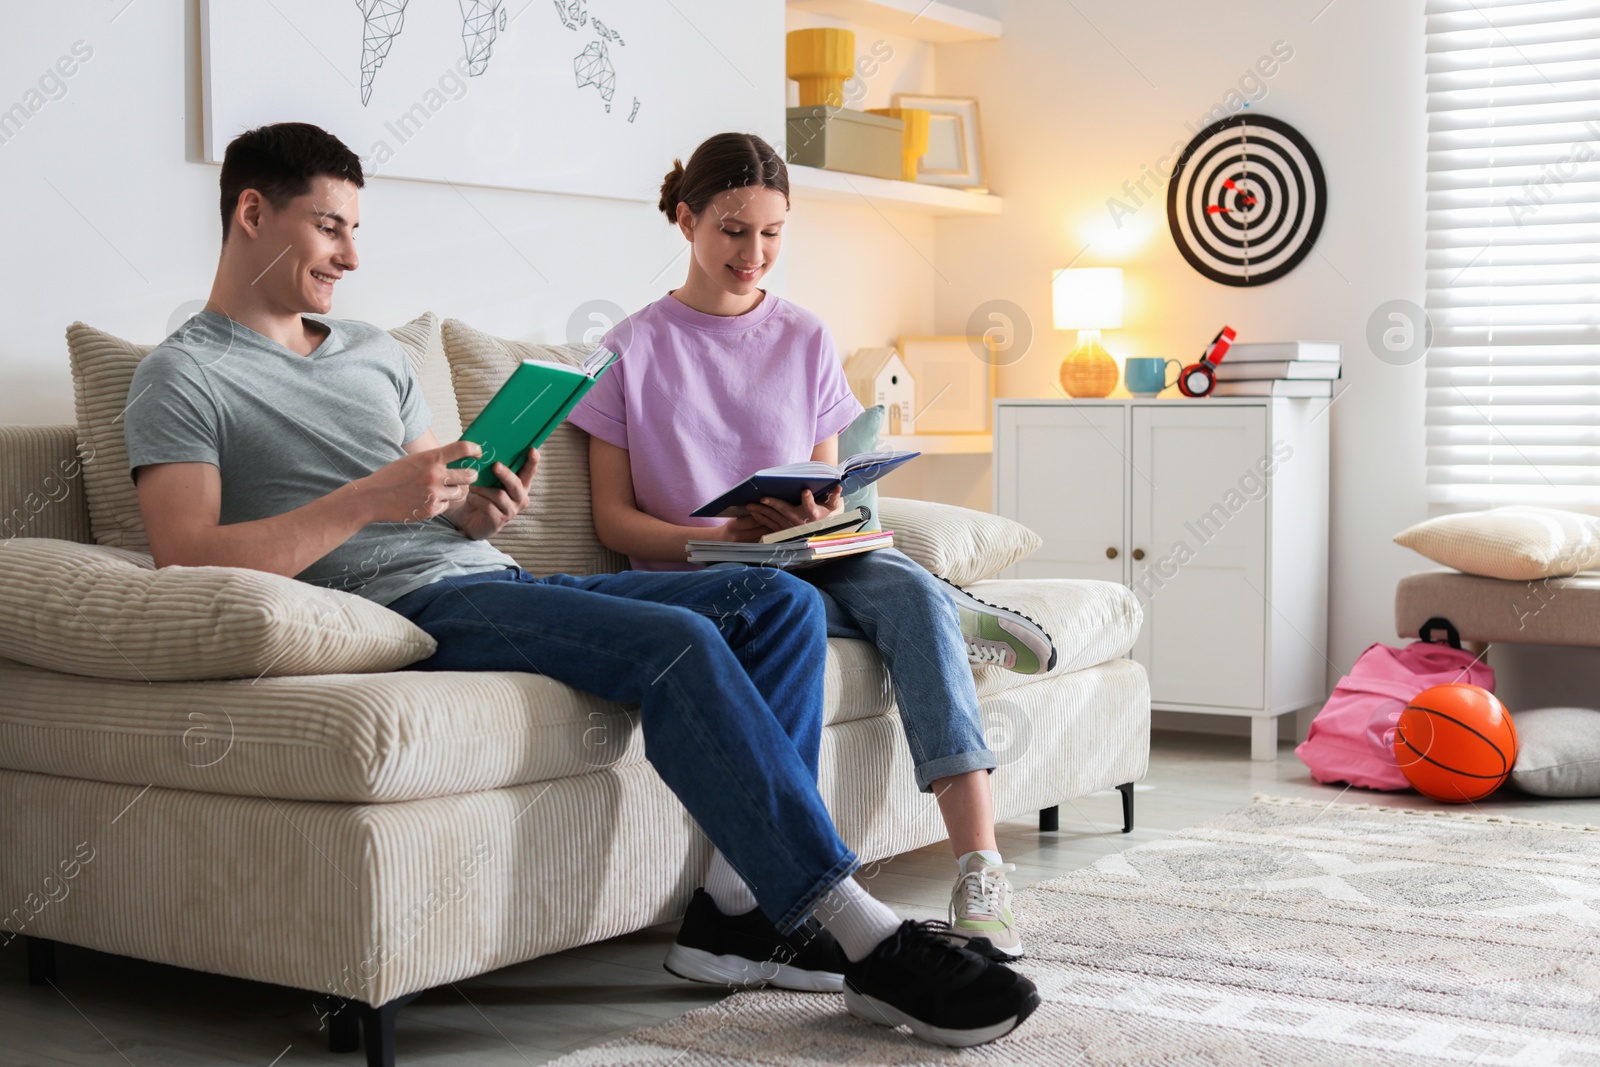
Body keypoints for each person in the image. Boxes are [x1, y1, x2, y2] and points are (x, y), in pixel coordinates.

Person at [123, 122, 1037, 1048]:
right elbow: (187, 554)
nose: (352, 255)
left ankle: (735, 913)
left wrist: (474, 511)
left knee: (780, 600)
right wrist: (370, 501)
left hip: (487, 572)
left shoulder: (374, 352)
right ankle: (862, 933)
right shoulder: (183, 374)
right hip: (403, 609)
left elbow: (427, 505)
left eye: (356, 229)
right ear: (251, 213)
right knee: (677, 643)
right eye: (329, 228)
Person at [571, 132, 1059, 963]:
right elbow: (616, 523)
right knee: (898, 601)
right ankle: (947, 610)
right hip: (702, 574)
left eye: (771, 232)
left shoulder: (805, 337)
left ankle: (981, 869)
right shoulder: (627, 350)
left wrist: (811, 516)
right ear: (686, 220)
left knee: (896, 589)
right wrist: (724, 532)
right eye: (731, 230)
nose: (753, 253)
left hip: (804, 558)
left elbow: (824, 486)